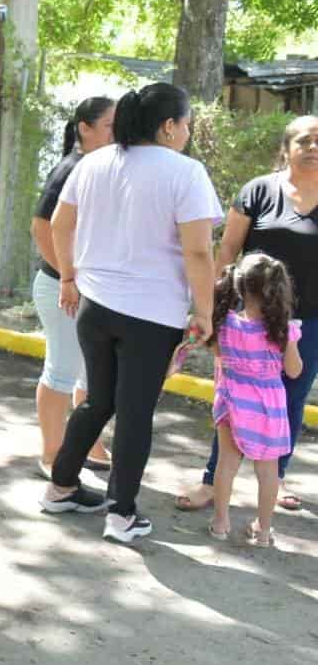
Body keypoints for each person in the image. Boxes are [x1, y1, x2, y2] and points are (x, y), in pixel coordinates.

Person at [39, 82, 223, 543]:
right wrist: (205, 311)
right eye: (185, 124)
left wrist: (67, 278)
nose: (186, 133)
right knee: (135, 412)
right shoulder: (185, 172)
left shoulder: (94, 162)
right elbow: (199, 253)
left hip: (94, 306)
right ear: (167, 126)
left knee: (99, 400)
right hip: (151, 313)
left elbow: (59, 224)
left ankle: (60, 488)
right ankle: (121, 514)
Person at [176, 115, 318, 513]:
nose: (313, 148)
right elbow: (225, 255)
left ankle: (277, 477)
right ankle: (212, 481)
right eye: (304, 140)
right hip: (248, 318)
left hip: (307, 321)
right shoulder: (258, 191)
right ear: (286, 149)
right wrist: (211, 306)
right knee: (232, 399)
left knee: (290, 398)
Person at [30, 97, 115, 478]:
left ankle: (88, 445)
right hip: (61, 289)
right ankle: (51, 454)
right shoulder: (73, 167)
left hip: (85, 289)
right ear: (85, 128)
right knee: (62, 370)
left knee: (88, 374)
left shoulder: (96, 168)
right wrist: (67, 276)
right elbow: (41, 227)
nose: (118, 134)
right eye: (110, 126)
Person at [204, 254, 302, 546]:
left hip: (232, 401)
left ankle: (220, 525)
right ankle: (263, 531)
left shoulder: (224, 324)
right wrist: (291, 342)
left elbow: (220, 358)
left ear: (239, 287)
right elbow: (294, 371)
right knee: (268, 471)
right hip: (267, 406)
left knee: (226, 465)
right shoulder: (283, 330)